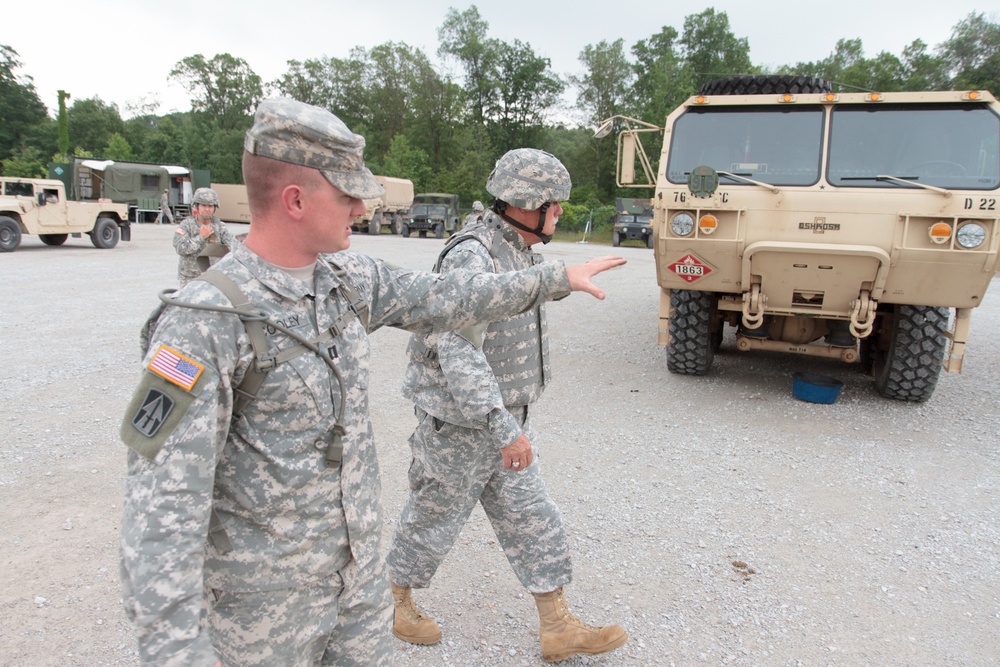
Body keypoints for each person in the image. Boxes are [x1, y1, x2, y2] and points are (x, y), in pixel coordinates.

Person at [118, 98, 625, 667]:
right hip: (263, 615)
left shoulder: (350, 279)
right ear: (295, 199)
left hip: (355, 593)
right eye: (347, 193)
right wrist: (178, 653)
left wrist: (556, 277)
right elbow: (161, 515)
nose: (362, 206)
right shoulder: (202, 323)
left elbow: (452, 298)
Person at [386, 148, 629, 663]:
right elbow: (457, 352)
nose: (560, 213)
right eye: (554, 204)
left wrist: (566, 282)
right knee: (433, 517)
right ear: (526, 202)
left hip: (505, 422)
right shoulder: (472, 254)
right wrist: (503, 428)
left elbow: (518, 297)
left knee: (533, 517)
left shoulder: (516, 248)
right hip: (461, 426)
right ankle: (400, 605)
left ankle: (557, 623)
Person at [172, 187, 237, 286]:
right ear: (197, 206)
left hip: (213, 277)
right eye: (203, 205)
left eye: (210, 206)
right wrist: (201, 237)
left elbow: (234, 247)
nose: (207, 209)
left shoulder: (220, 226)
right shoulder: (186, 225)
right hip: (190, 278)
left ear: (215, 208)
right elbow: (181, 249)